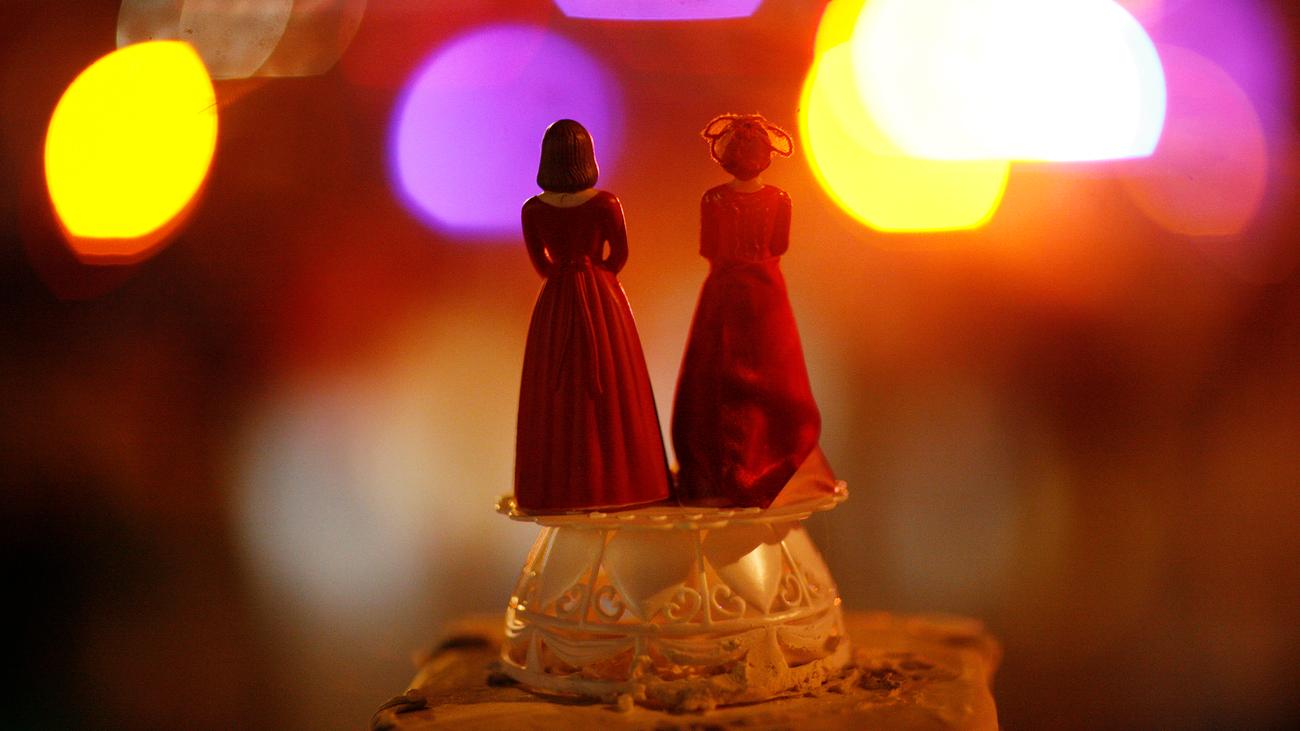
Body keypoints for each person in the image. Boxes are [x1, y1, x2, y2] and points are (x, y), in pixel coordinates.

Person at [672, 113, 836, 508]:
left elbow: (708, 247)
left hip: (723, 291)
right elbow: (780, 245)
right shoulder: (779, 199)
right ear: (767, 156)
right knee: (774, 374)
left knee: (714, 372)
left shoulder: (713, 199)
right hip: (765, 291)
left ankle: (716, 470)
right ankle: (769, 463)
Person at [514, 119, 672, 512]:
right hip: (601, 296)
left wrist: (565, 278)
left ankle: (560, 485)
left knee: (557, 385)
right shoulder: (605, 204)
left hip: (557, 298)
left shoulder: (533, 210)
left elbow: (540, 263)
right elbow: (619, 254)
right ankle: (622, 479)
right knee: (612, 381)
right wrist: (598, 278)